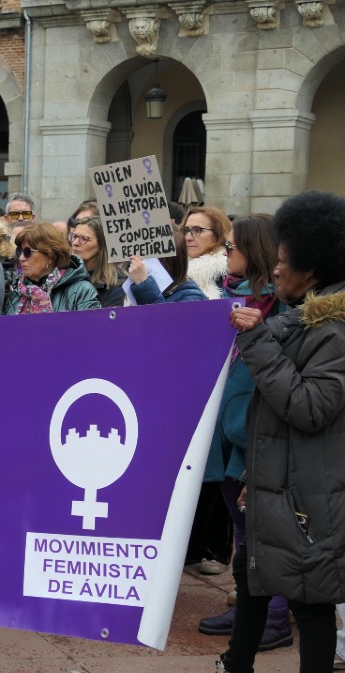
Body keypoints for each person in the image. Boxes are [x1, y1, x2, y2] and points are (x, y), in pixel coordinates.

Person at [219, 190, 345, 673]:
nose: (275, 268)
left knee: (309, 602)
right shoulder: (306, 318)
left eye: (285, 260)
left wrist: (257, 342)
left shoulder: (334, 331)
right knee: (252, 576)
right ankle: (236, 663)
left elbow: (310, 408)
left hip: (309, 494)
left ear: (311, 269)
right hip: (285, 485)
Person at [196, 214, 292, 652]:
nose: (225, 252)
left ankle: (272, 618)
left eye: (231, 246)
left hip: (258, 436)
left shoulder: (284, 310)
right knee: (242, 531)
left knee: (261, 531)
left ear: (254, 252)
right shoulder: (230, 299)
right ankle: (247, 608)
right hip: (228, 435)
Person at [4, 223, 101, 314]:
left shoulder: (81, 290)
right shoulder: (15, 294)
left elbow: (93, 329)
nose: (21, 258)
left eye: (27, 252)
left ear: (50, 256)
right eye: (19, 251)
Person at [126, 228, 208, 304]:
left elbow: (162, 319)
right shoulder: (136, 288)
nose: (141, 266)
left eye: (149, 260)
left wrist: (144, 285)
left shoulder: (193, 299)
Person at [67, 215, 127, 307]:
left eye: (84, 239)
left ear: (101, 245)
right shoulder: (62, 276)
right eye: (74, 236)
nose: (75, 243)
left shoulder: (117, 282)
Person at [182, 206, 231, 300]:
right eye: (186, 230)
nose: (188, 238)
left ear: (217, 236)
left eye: (197, 230)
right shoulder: (175, 269)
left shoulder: (227, 273)